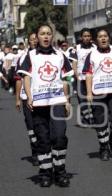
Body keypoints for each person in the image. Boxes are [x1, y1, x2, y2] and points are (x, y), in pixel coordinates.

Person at [18, 24, 73, 187]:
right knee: (42, 138)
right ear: (37, 36)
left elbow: (67, 78)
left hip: (57, 101)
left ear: (52, 36)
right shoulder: (31, 56)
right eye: (42, 34)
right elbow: (26, 78)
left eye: (49, 33)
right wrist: (29, 97)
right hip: (38, 103)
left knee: (59, 136)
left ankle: (60, 171)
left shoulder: (60, 55)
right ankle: (45, 172)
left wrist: (67, 99)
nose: (46, 36)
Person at [83, 29, 112, 160]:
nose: (103, 38)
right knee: (101, 122)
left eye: (105, 36)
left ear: (109, 38)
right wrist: (88, 93)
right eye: (100, 37)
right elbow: (88, 74)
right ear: (96, 40)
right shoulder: (92, 55)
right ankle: (104, 148)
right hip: (98, 92)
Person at [15, 32, 39, 166]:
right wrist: (18, 99)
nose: (34, 41)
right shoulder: (23, 57)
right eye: (32, 40)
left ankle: (44, 151)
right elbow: (19, 79)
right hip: (26, 97)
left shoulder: (47, 55)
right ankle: (35, 152)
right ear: (28, 42)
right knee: (31, 126)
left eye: (36, 39)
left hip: (43, 97)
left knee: (42, 126)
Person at [69, 28, 96, 125]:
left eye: (88, 36)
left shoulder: (95, 48)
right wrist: (76, 75)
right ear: (81, 37)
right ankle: (87, 117)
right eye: (85, 36)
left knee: (93, 99)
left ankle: (91, 116)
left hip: (92, 79)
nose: (87, 38)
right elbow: (74, 63)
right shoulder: (77, 48)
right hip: (80, 78)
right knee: (82, 99)